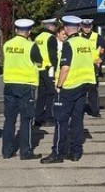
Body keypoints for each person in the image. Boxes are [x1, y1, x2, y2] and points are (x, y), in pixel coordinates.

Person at [41, 15, 96, 163]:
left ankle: (58, 153)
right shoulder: (86, 42)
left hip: (68, 87)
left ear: (65, 28)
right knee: (77, 120)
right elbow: (95, 60)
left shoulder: (68, 44)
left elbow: (65, 68)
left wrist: (58, 86)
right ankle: (76, 153)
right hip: (83, 86)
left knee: (61, 121)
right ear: (78, 27)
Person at [1, 18, 44, 161]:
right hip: (26, 86)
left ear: (15, 31)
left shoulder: (7, 45)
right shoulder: (31, 46)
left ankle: (7, 151)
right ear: (29, 32)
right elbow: (39, 62)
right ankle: (25, 152)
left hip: (10, 85)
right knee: (26, 120)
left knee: (9, 120)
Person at [33, 18, 58, 127]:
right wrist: (56, 67)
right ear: (50, 27)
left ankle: (38, 118)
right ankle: (49, 118)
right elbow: (53, 55)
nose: (55, 28)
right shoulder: (51, 38)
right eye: (54, 26)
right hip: (49, 69)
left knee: (41, 95)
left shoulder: (38, 37)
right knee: (51, 94)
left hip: (39, 69)